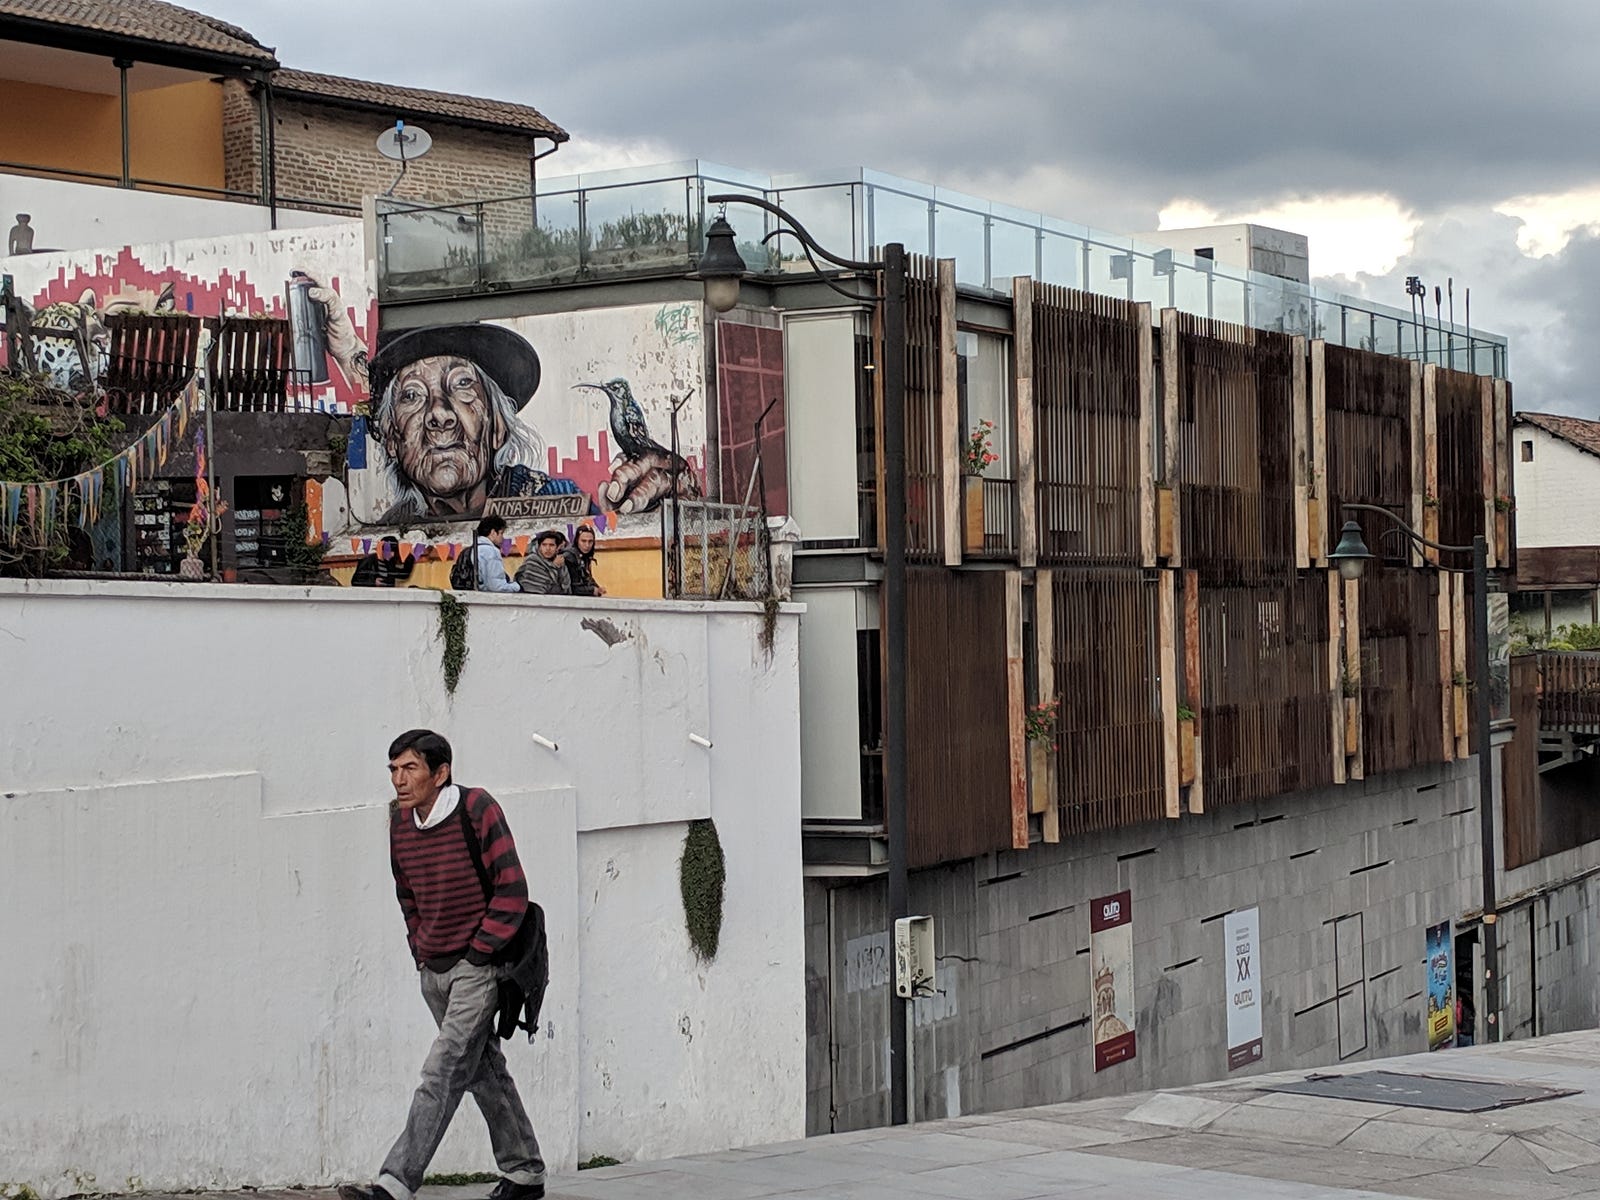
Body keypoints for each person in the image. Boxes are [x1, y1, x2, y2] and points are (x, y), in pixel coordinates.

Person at [339, 730, 545, 1200]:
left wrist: (479, 953)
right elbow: (406, 894)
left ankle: (395, 1183)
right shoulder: (400, 824)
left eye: (410, 768)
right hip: (433, 971)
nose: (398, 779)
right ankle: (525, 1172)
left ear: (440, 773)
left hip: (478, 969)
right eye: (393, 769)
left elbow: (512, 889)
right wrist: (420, 951)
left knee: (441, 1072)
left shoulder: (477, 809)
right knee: (484, 1072)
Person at [472, 516, 521, 593]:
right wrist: (516, 587)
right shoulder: (491, 551)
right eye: (501, 533)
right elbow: (496, 586)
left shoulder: (470, 550)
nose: (502, 538)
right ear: (493, 533)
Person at [515, 530, 571, 595]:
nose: (548, 548)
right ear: (539, 546)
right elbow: (537, 587)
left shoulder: (559, 561)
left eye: (551, 545)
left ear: (557, 548)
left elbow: (565, 587)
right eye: (544, 545)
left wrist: (558, 568)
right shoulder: (533, 561)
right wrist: (554, 566)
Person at [350, 536, 416, 588]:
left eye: (393, 551)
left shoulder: (390, 562)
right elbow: (355, 581)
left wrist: (409, 556)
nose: (392, 554)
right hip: (371, 596)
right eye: (388, 551)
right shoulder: (368, 560)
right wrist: (373, 582)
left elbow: (403, 574)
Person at [561, 524, 605, 597]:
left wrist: (597, 588)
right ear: (577, 541)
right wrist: (592, 590)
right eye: (583, 541)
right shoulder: (569, 557)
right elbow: (572, 587)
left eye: (590, 541)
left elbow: (587, 578)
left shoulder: (585, 556)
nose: (587, 545)